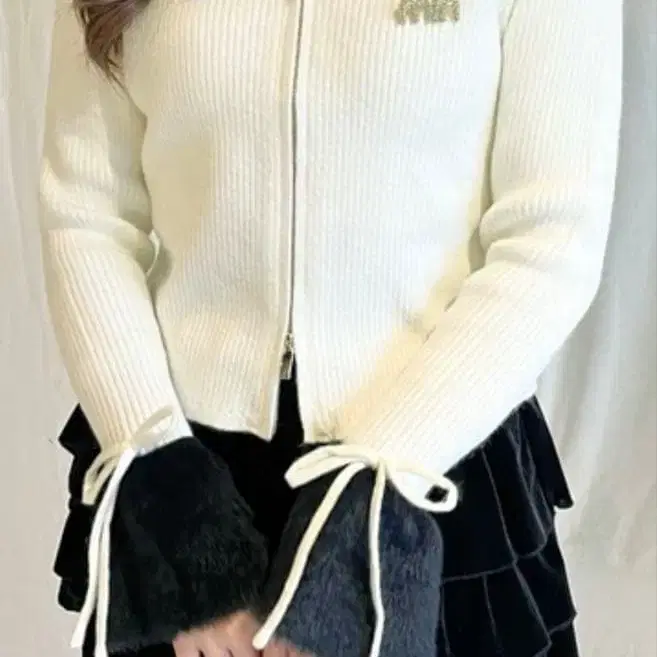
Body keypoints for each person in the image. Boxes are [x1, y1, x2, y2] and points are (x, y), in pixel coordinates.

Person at [40, 0, 623, 655]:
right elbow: (86, 215)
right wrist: (173, 510)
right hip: (185, 468)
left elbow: (551, 236)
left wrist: (368, 518)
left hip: (430, 462)